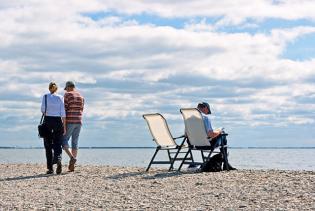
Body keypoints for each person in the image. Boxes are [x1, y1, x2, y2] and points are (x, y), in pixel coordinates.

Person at [197, 102, 236, 170]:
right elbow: (210, 134)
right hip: (207, 144)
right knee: (222, 135)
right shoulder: (205, 118)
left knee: (220, 134)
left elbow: (186, 134)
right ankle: (226, 163)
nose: (207, 113)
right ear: (206, 108)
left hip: (195, 144)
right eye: (208, 111)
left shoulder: (189, 119)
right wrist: (219, 131)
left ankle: (226, 163)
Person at [41, 82, 66, 174]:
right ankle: (58, 159)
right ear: (56, 89)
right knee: (58, 142)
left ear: (49, 88)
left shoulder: (45, 97)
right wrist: (64, 126)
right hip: (58, 121)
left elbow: (43, 110)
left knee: (48, 145)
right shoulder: (60, 97)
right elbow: (63, 113)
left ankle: (50, 168)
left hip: (48, 120)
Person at [62, 81, 85, 172]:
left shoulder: (67, 95)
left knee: (63, 140)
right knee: (75, 143)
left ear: (68, 87)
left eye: (66, 88)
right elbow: (82, 109)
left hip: (70, 121)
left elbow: (64, 109)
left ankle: (72, 158)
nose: (66, 90)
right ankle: (73, 165)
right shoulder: (81, 96)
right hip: (79, 121)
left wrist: (63, 122)